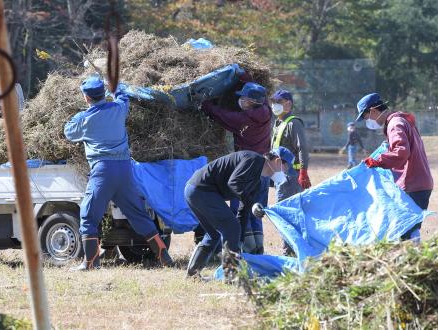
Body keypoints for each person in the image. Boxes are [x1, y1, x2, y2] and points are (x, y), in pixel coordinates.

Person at [64, 76, 173, 270]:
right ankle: (164, 256)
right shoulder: (119, 109)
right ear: (103, 94)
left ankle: (90, 263)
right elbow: (123, 95)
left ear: (86, 98)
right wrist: (113, 85)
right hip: (124, 170)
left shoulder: (84, 119)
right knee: (138, 215)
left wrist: (81, 114)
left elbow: (68, 132)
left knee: (89, 216)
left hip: (103, 171)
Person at [184, 148, 295, 278]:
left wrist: (240, 242)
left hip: (194, 190)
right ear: (277, 161)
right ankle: (230, 275)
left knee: (214, 234)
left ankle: (192, 274)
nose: (284, 173)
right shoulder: (253, 160)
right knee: (230, 227)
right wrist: (249, 200)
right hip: (201, 189)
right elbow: (234, 182)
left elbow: (243, 211)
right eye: (285, 169)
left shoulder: (257, 180)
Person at [200, 82, 272, 254]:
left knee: (240, 207)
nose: (240, 99)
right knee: (257, 209)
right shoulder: (267, 111)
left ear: (249, 102)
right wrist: (245, 76)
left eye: (243, 97)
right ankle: (258, 248)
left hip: (247, 171)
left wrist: (204, 104)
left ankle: (244, 249)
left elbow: (222, 115)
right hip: (264, 170)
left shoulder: (244, 120)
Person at [356, 92, 433, 242]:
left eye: (366, 117)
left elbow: (401, 152)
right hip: (419, 181)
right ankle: (414, 258)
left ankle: (413, 261)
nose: (367, 121)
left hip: (412, 183)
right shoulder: (400, 121)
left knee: (405, 230)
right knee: (410, 228)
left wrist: (378, 161)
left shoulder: (395, 124)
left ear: (372, 111)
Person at [270, 89, 311, 198]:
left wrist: (303, 171)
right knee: (282, 206)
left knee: (290, 208)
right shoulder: (278, 123)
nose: (274, 105)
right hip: (280, 173)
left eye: (278, 102)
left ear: (288, 104)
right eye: (273, 102)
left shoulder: (294, 123)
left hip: (291, 175)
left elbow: (302, 148)